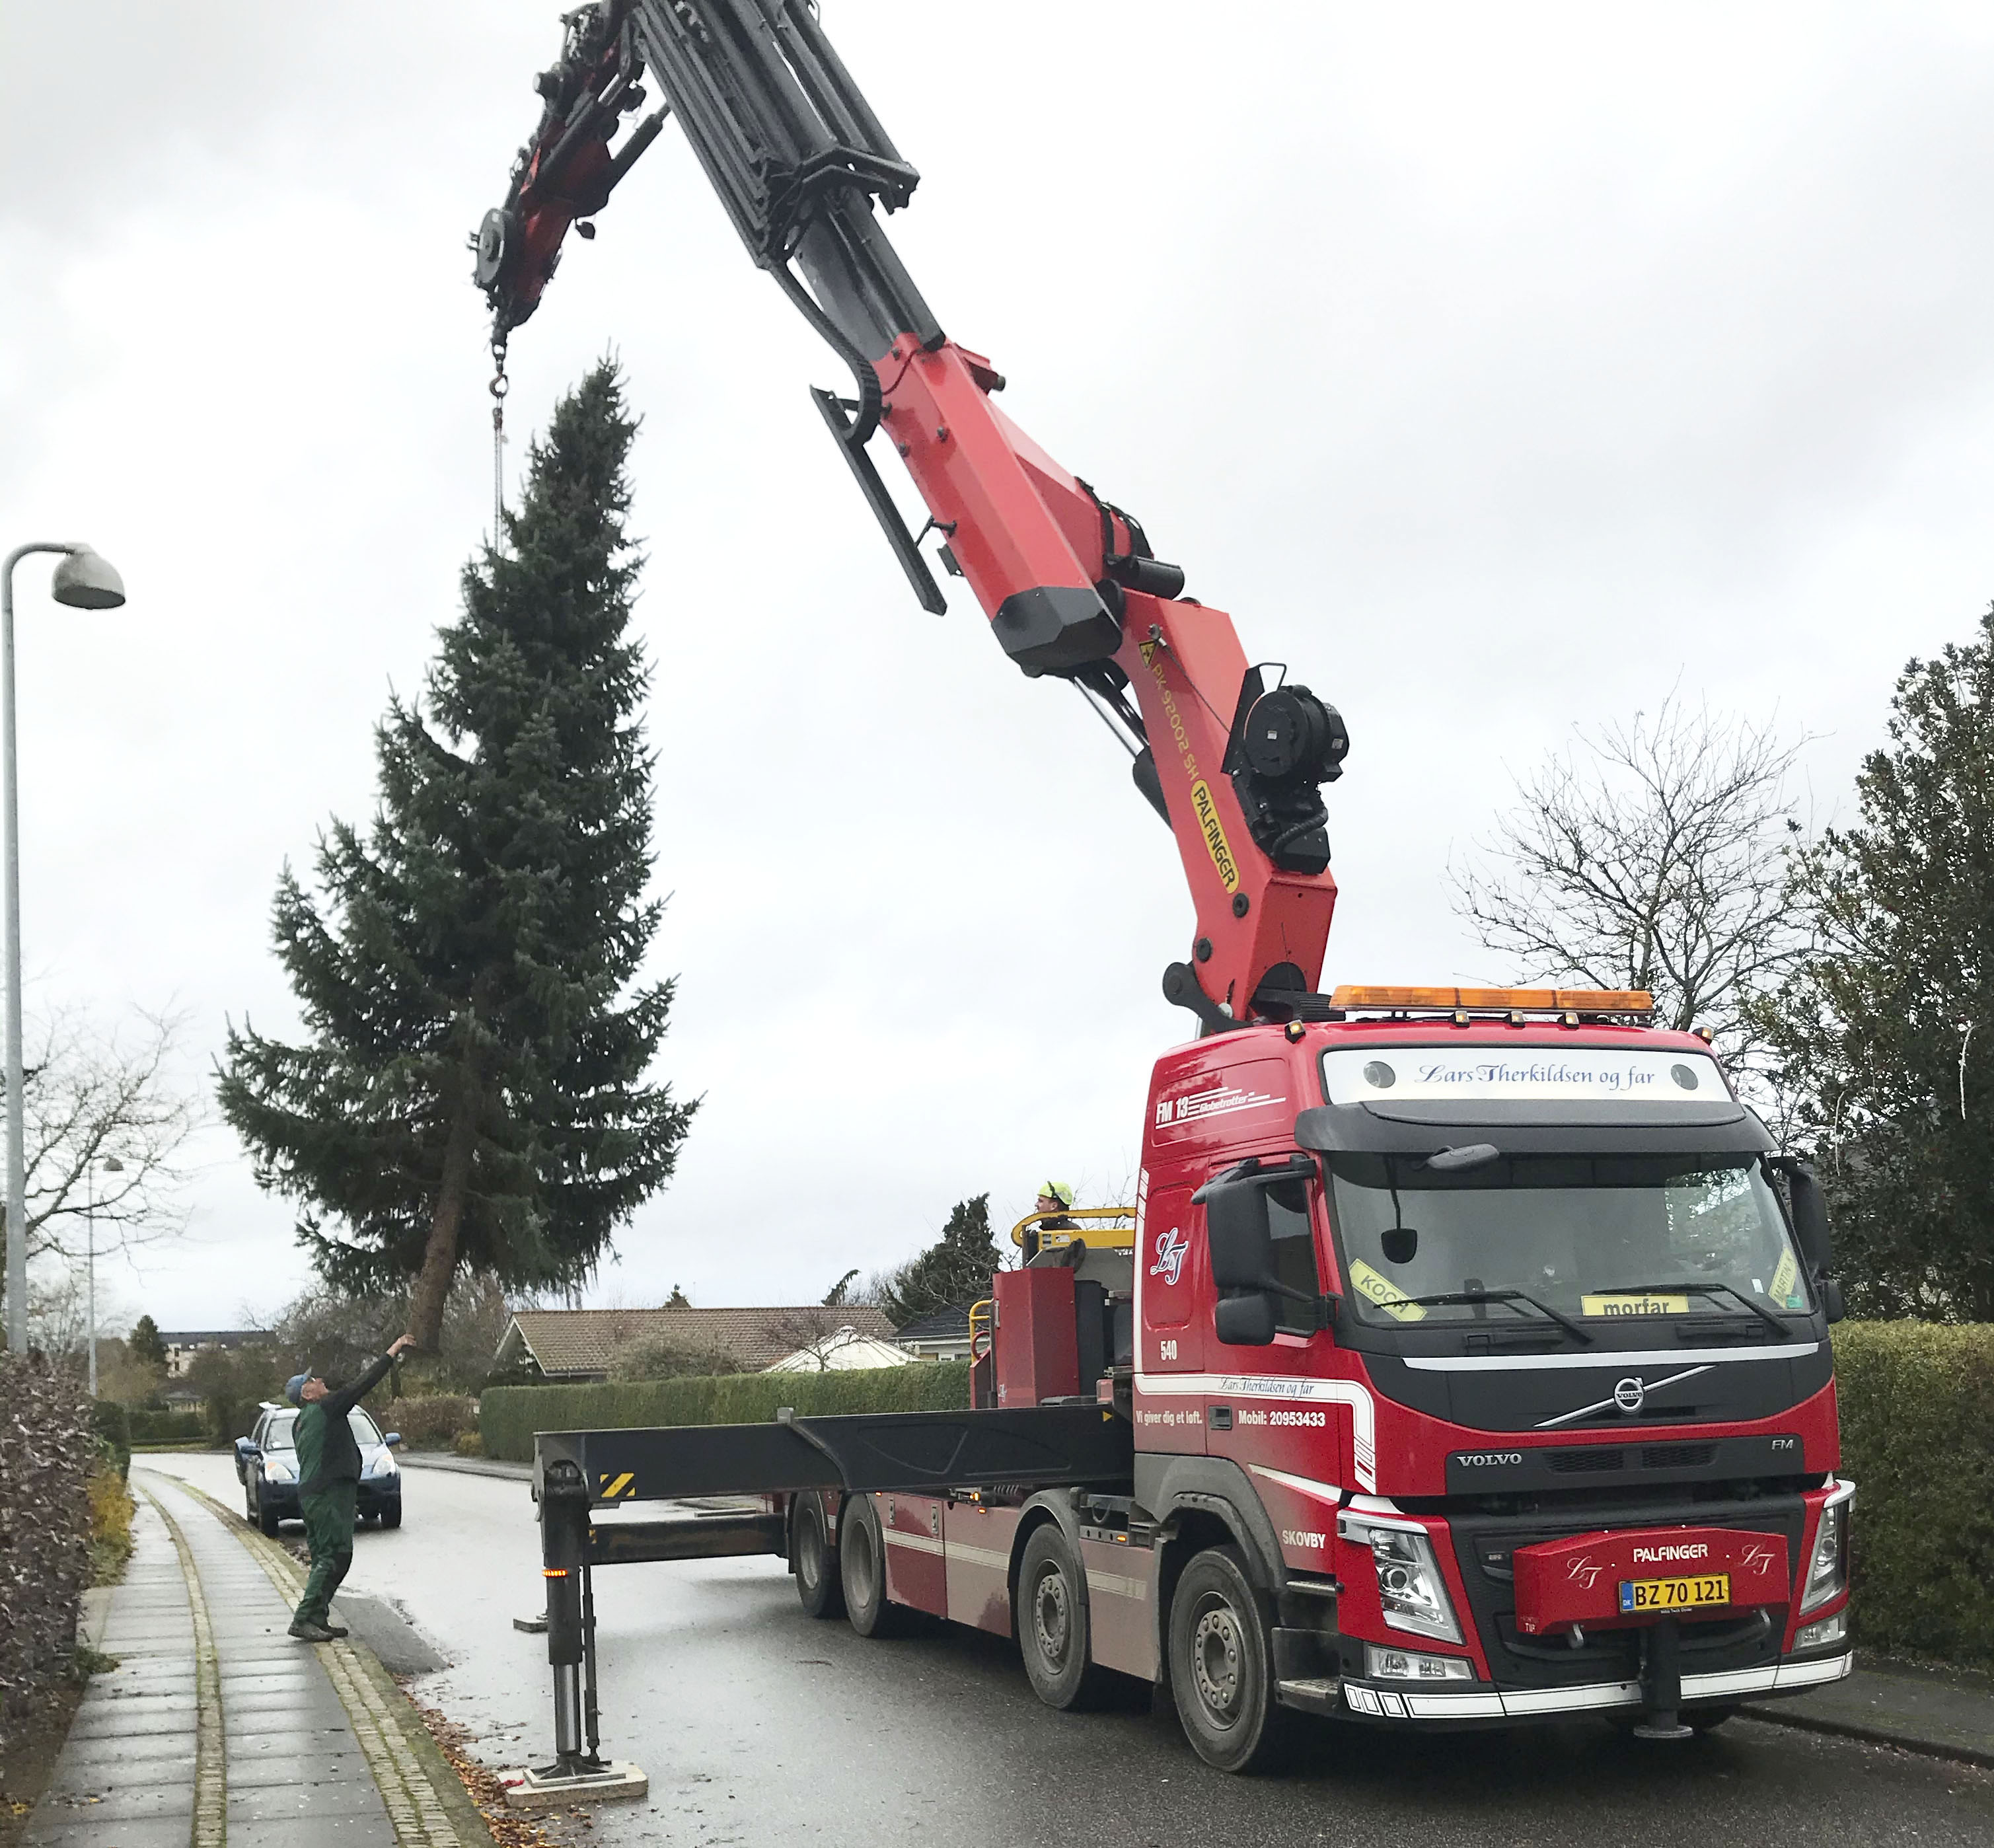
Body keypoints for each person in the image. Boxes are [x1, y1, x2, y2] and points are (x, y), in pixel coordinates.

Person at [283, 1334, 415, 1643]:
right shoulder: (327, 1408)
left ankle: (317, 1617)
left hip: (313, 1495)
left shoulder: (300, 1422)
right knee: (336, 1555)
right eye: (312, 1381)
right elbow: (363, 1383)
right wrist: (392, 1351)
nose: (319, 1380)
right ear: (308, 1393)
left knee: (325, 1557)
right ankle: (303, 1618)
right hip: (328, 1495)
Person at [1023, 1181, 1078, 1262]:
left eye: (1041, 1201)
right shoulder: (1040, 1234)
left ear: (1054, 1206)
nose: (1036, 1205)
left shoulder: (1071, 1232)